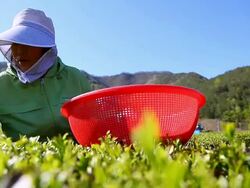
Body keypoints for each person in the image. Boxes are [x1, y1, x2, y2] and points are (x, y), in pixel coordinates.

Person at [0, 8, 91, 140]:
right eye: (15, 43)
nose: (20, 51)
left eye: (29, 43)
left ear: (46, 49)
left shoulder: (75, 78)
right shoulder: (2, 85)